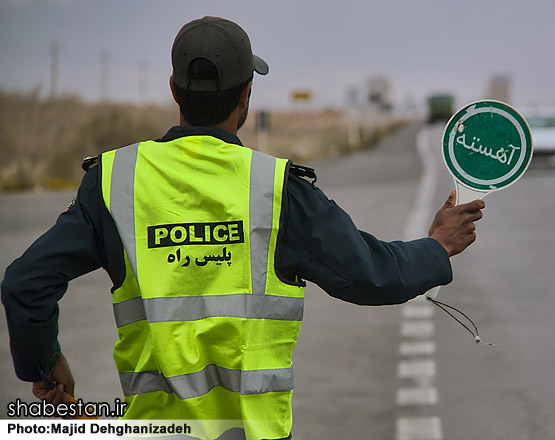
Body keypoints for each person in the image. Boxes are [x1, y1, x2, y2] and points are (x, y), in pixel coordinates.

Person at [1, 16, 485, 440]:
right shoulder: (275, 189)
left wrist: (46, 367)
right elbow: (371, 275)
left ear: (174, 89)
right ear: (247, 95)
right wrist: (437, 247)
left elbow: (25, 285)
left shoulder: (113, 182)